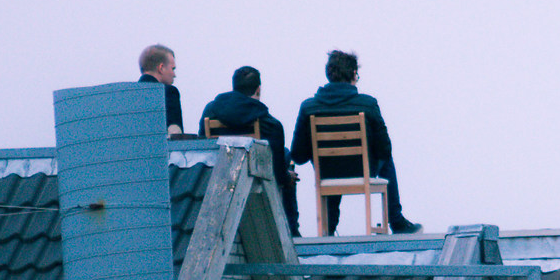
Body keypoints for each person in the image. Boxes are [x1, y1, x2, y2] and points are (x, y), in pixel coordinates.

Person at [291, 49, 420, 234]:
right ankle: (397, 221)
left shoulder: (308, 107)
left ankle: (328, 230)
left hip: (327, 173)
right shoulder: (367, 104)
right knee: (387, 161)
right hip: (362, 170)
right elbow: (385, 149)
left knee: (332, 165)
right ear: (353, 74)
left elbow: (298, 155)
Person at [200, 66, 300, 236]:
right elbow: (277, 173)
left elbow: (202, 144)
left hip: (220, 177)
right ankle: (292, 231)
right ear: (258, 90)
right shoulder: (270, 124)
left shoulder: (211, 112)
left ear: (234, 88)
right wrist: (286, 175)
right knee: (285, 155)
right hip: (255, 180)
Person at [138, 44, 182, 136]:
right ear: (161, 68)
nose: (174, 74)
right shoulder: (169, 92)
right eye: (172, 68)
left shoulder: (128, 95)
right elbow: (175, 134)